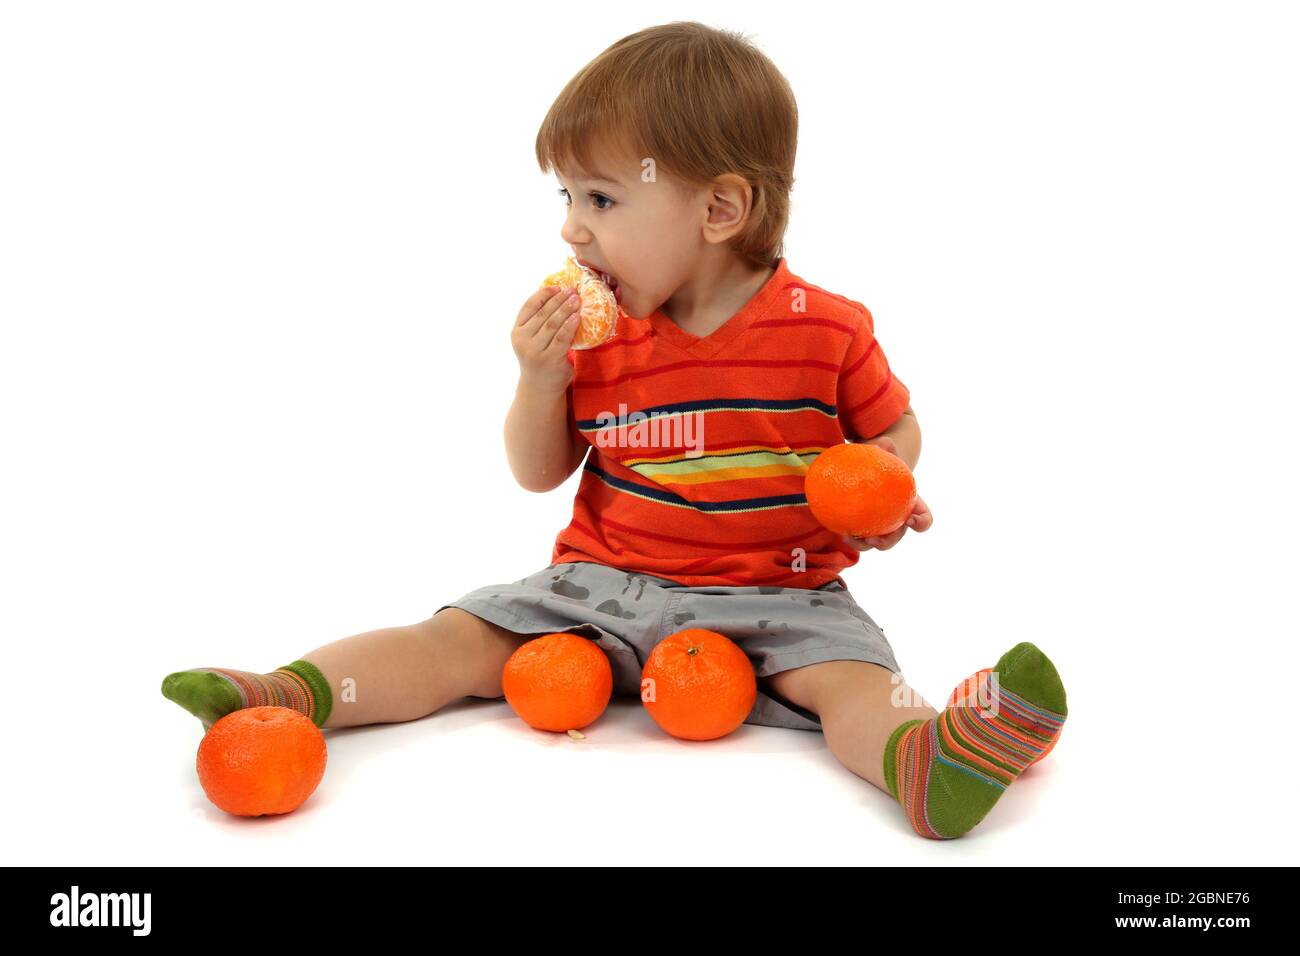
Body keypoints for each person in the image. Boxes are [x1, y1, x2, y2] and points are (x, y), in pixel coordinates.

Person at [162, 21, 1066, 840]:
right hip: (600, 587)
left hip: (780, 597)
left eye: (601, 200)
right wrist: (539, 377)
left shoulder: (824, 327)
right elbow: (538, 473)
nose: (570, 229)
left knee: (852, 686)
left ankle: (930, 762)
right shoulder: (599, 334)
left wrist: (883, 487)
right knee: (455, 641)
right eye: (566, 196)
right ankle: (287, 692)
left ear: (719, 211)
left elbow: (894, 429)